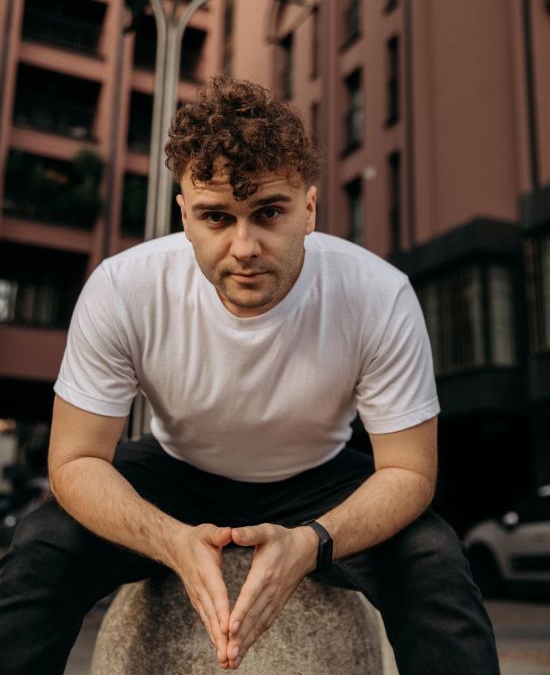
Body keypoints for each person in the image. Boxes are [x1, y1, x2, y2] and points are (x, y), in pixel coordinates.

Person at [0, 77, 501, 675]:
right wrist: (170, 541)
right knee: (41, 546)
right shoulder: (123, 288)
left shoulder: (378, 294)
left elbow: (410, 471)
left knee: (435, 562)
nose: (243, 247)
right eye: (217, 217)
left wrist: (312, 543)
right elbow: (75, 460)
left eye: (268, 213)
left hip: (319, 478)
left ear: (308, 210)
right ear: (185, 217)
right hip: (175, 470)